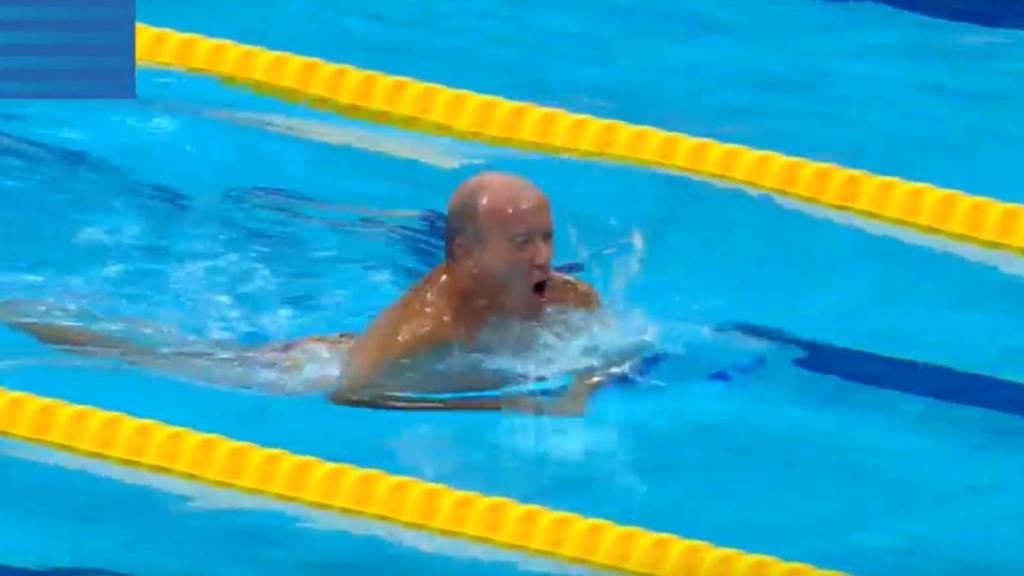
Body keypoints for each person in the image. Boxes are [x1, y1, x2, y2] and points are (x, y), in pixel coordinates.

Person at [1, 172, 609, 415]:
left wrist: (581, 389)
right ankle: (22, 312)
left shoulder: (563, 295)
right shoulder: (420, 335)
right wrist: (497, 405)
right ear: (467, 255)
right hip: (316, 370)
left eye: (546, 239)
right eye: (522, 242)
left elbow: (605, 340)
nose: (542, 258)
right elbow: (354, 395)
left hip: (351, 350)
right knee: (149, 352)